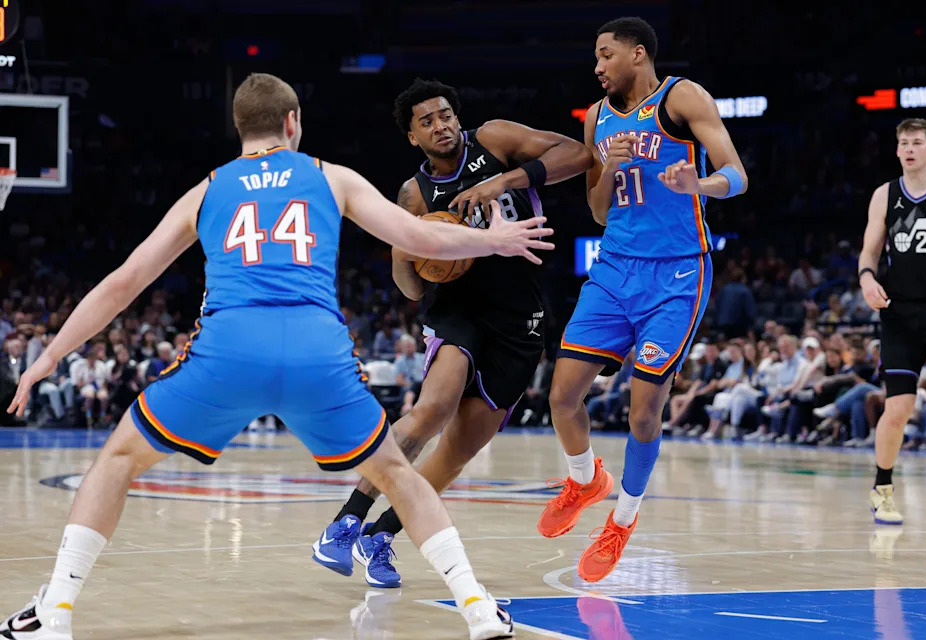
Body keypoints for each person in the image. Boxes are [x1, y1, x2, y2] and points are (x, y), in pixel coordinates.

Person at [0, 72, 556, 640]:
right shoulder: (329, 177)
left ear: (240, 129)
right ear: (293, 123)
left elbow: (124, 283)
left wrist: (50, 357)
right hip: (317, 352)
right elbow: (422, 240)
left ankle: (54, 613)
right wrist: (497, 240)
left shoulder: (208, 190)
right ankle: (476, 608)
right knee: (395, 474)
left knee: (116, 460)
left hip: (228, 352)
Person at [312, 78, 592, 589]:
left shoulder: (496, 140)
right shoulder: (413, 194)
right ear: (413, 138)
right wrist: (403, 252)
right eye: (427, 121)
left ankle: (381, 535)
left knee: (457, 451)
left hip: (520, 317)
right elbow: (412, 289)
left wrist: (500, 184)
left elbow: (577, 153)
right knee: (431, 411)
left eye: (445, 115)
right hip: (456, 311)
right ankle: (345, 521)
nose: (441, 125)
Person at [538, 16, 747, 583]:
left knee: (644, 409)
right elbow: (599, 211)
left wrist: (698, 186)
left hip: (678, 274)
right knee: (561, 398)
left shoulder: (682, 96)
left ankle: (622, 519)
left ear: (637, 53)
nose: (598, 66)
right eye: (595, 58)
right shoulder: (596, 118)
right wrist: (611, 165)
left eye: (605, 55)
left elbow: (737, 173)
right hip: (613, 272)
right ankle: (585, 481)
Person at [857, 117, 926, 525]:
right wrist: (866, 279)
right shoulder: (885, 195)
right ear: (897, 150)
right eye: (904, 143)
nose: (911, 149)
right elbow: (869, 252)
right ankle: (882, 488)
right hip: (899, 315)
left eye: (918, 142)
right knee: (898, 408)